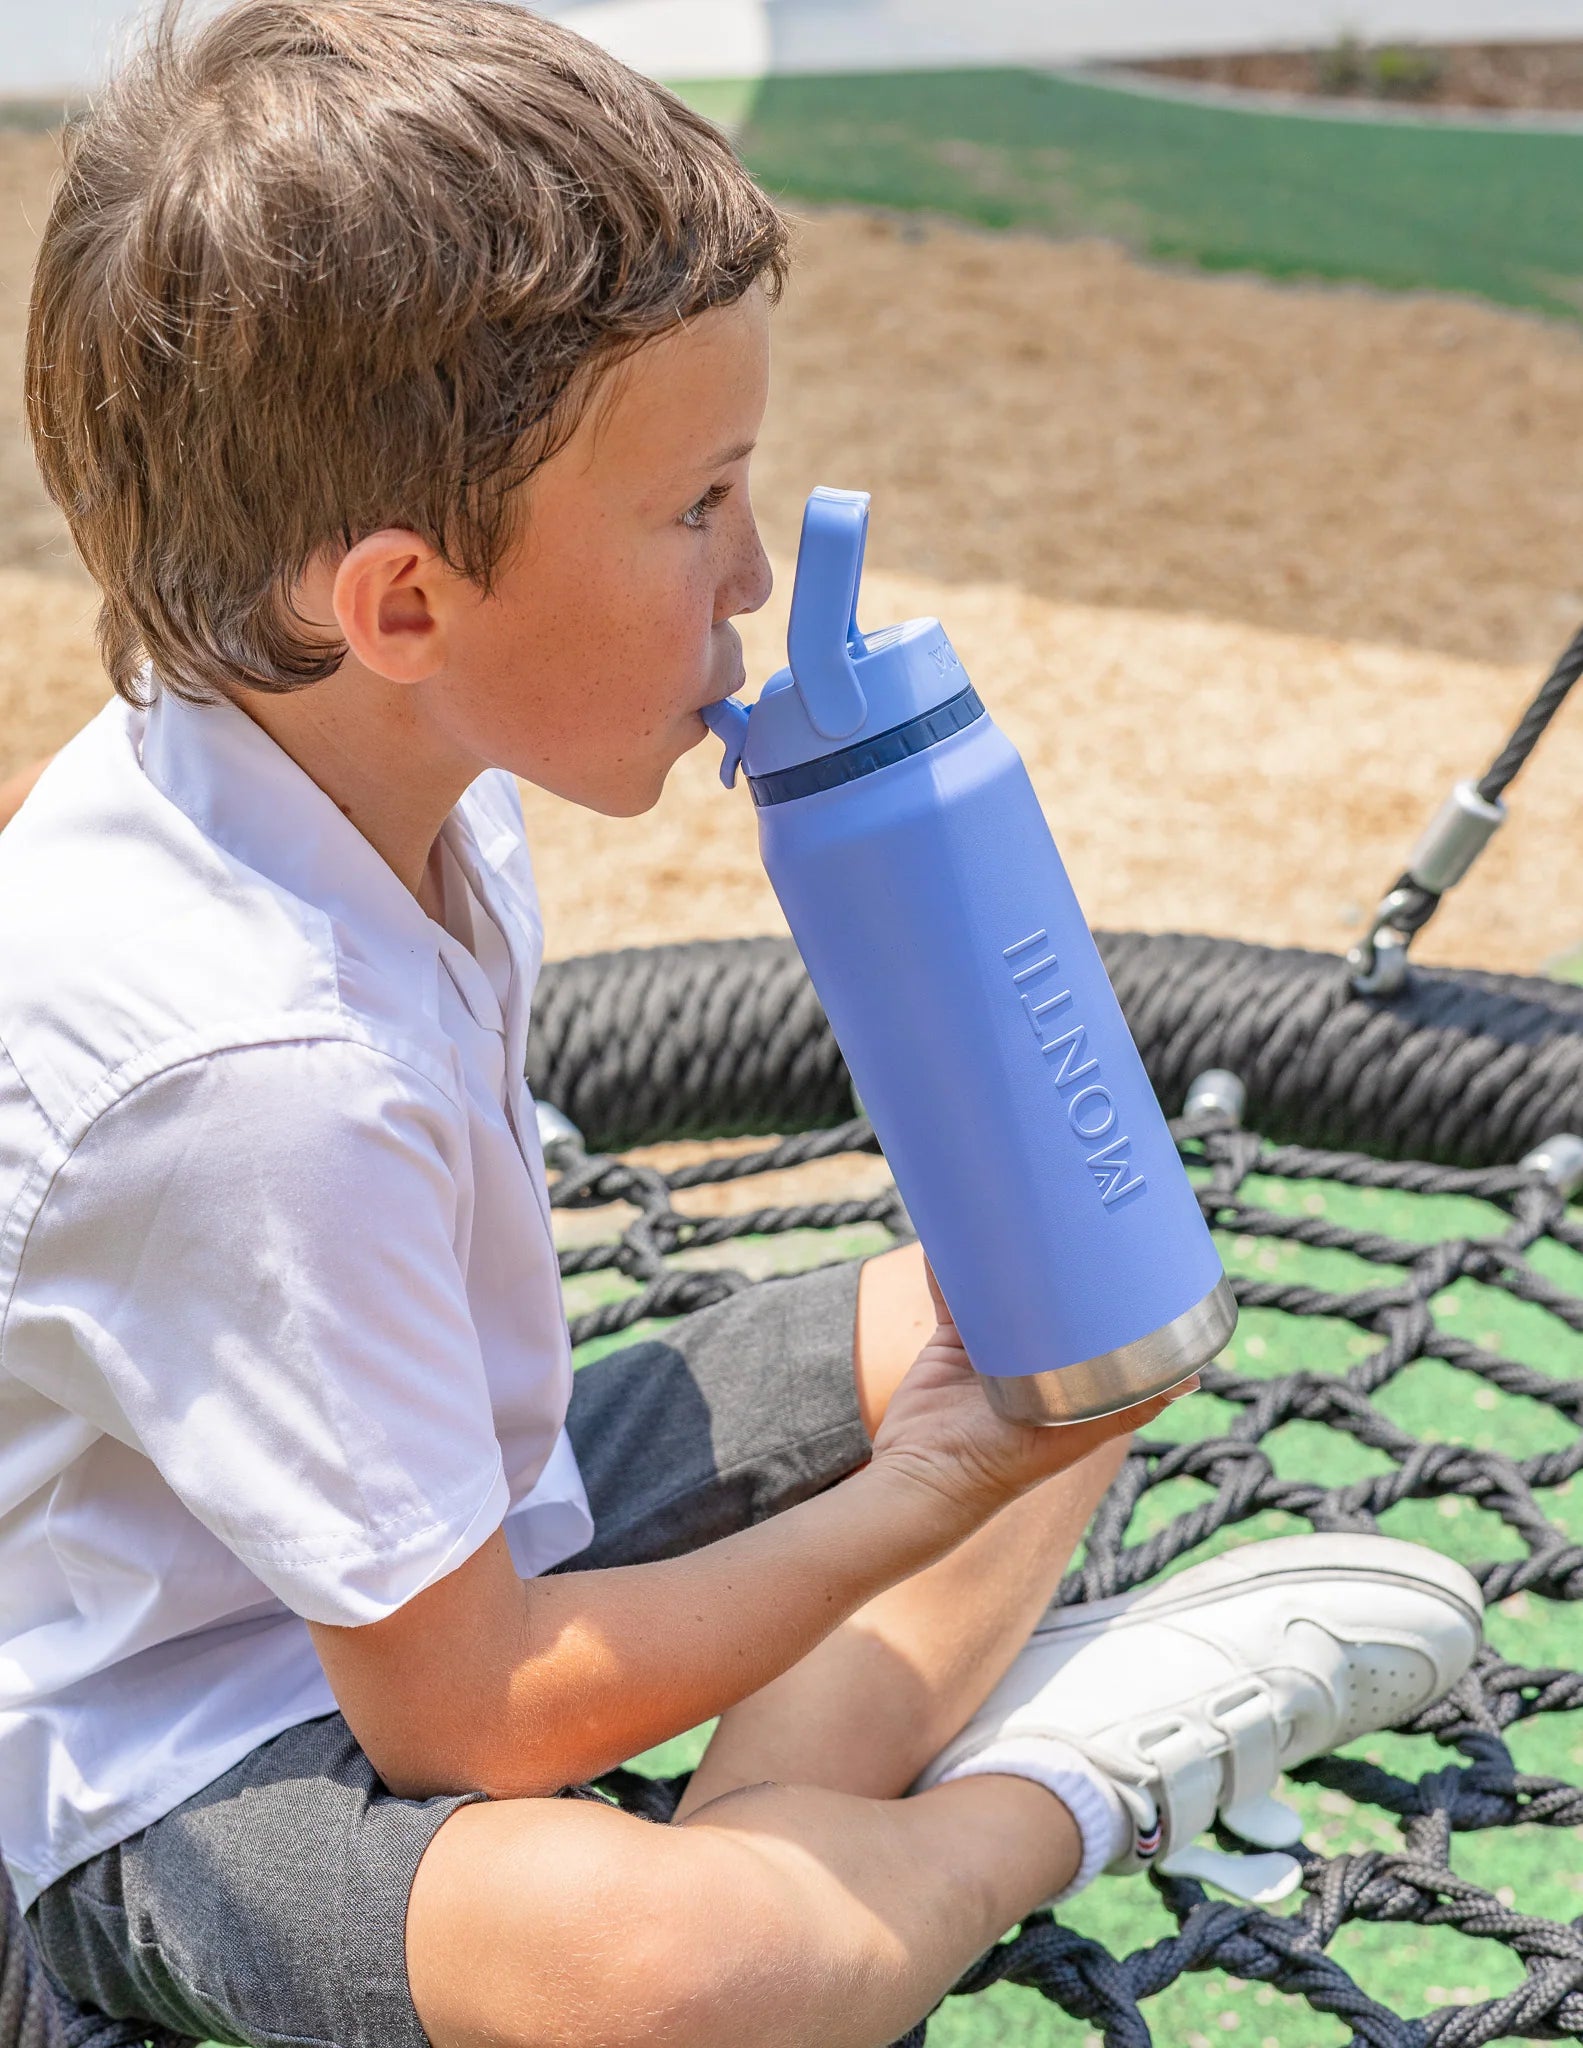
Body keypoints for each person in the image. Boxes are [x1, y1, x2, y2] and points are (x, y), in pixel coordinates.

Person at [0, 6, 1482, 2046]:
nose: (758, 574)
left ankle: (791, 1828)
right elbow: (467, 1718)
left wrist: (979, 1414)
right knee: (688, 1973)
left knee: (1076, 1311)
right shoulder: (253, 1082)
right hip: (166, 1764)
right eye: (696, 505)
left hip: (463, 1529)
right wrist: (924, 1500)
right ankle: (1027, 1805)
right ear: (406, 607)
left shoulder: (365, 758)